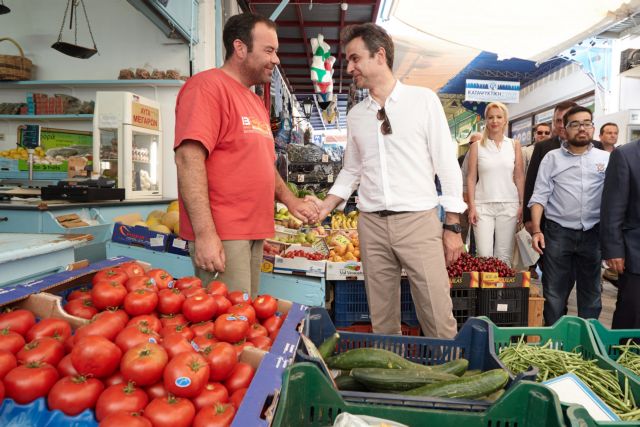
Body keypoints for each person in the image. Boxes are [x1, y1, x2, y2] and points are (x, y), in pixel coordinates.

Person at [307, 23, 465, 338]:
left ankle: (450, 377)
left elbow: (446, 164)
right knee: (382, 317)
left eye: (355, 59)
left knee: (436, 312)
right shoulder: (356, 115)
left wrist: (452, 225)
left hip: (418, 222)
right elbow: (352, 170)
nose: (350, 68)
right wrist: (324, 207)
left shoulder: (423, 101)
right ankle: (392, 376)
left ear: (380, 56)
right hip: (372, 225)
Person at [174, 13, 318, 296]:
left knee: (245, 319)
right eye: (269, 50)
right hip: (224, 233)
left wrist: (291, 201)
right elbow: (188, 159)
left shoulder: (254, 100)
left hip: (252, 231)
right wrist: (205, 234)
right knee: (228, 325)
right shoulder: (206, 87)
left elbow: (263, 164)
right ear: (240, 48)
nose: (276, 60)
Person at [529, 106, 610, 325]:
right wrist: (536, 229)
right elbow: (539, 196)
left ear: (592, 128)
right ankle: (555, 346)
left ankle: (587, 341)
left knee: (591, 294)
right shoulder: (551, 158)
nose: (582, 128)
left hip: (593, 233)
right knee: (554, 294)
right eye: (575, 124)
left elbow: (615, 199)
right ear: (564, 130)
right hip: (558, 233)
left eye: (586, 123)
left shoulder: (606, 158)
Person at [466, 102, 524, 266]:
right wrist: (472, 206)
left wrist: (521, 204)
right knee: (484, 256)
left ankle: (499, 292)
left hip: (509, 205)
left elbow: (519, 176)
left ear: (505, 120)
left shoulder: (514, 145)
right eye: (490, 117)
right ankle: (485, 292)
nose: (495, 121)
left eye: (499, 117)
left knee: (504, 257)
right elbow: (471, 177)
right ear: (486, 121)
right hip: (482, 206)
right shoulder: (477, 146)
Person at [600, 139, 640, 329]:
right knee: (631, 313)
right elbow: (612, 207)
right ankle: (624, 356)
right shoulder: (625, 154)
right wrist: (614, 249)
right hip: (635, 252)